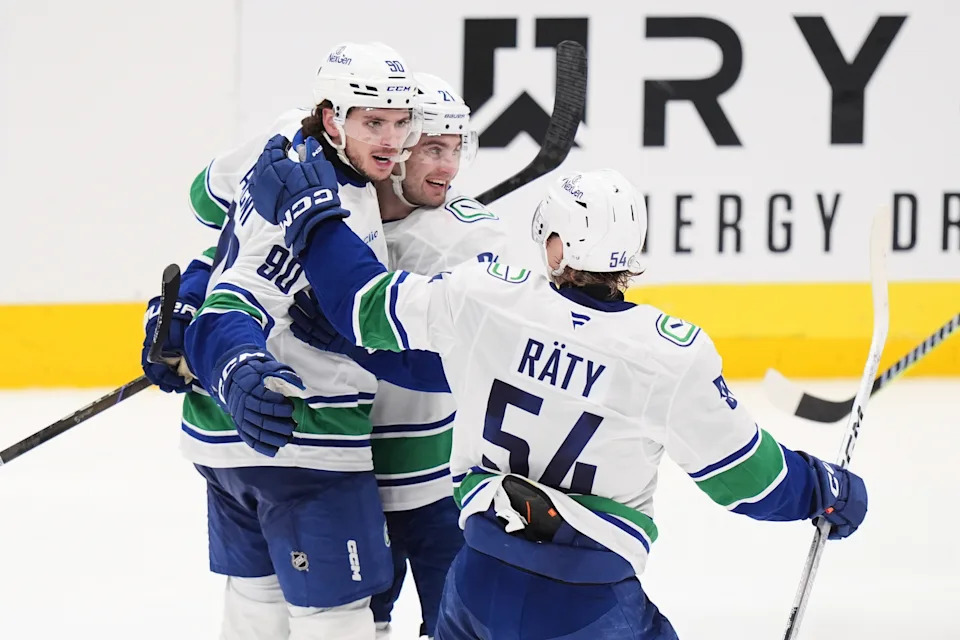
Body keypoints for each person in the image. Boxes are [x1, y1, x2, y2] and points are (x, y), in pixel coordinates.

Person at [247, 151, 870, 639]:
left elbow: (364, 303)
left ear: (556, 245)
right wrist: (825, 489)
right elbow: (751, 483)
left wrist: (313, 216)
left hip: (477, 581)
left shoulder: (487, 296)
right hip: (588, 605)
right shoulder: (667, 354)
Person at [154, 41, 423, 640]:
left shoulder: (281, 139)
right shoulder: (326, 204)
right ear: (332, 118)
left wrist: (190, 295)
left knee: (254, 608)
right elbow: (238, 298)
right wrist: (236, 365)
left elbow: (206, 200)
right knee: (338, 620)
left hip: (220, 442)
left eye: (400, 122)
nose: (391, 141)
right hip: (301, 439)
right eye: (373, 123)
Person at [293, 72, 511, 639]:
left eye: (456, 149)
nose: (449, 168)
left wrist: (358, 343)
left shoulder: (473, 240)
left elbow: (474, 366)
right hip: (349, 475)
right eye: (433, 149)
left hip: (442, 479)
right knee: (357, 626)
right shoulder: (335, 217)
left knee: (457, 627)